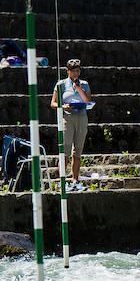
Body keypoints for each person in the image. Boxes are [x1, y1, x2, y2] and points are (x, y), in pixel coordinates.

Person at [50, 59, 92, 191]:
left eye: (78, 70)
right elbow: (53, 103)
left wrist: (78, 88)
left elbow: (87, 101)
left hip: (82, 116)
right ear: (68, 71)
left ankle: (75, 180)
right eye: (73, 71)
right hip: (67, 118)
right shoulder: (61, 84)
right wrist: (63, 106)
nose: (76, 73)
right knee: (65, 149)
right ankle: (61, 178)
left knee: (78, 150)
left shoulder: (84, 84)